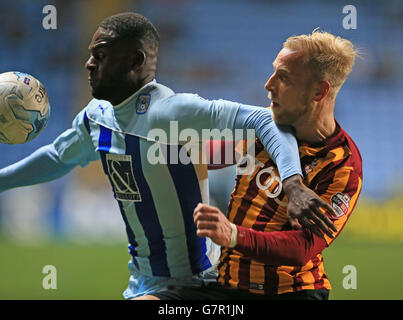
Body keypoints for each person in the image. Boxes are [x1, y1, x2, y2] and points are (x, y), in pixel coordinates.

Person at [0, 13, 336, 299]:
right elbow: (59, 158)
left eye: (100, 55)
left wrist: (293, 183)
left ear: (135, 62)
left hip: (195, 284)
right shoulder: (96, 117)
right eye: (91, 54)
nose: (89, 64)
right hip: (143, 282)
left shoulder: (171, 113)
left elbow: (265, 120)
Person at [147, 30, 363, 300]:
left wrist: (234, 235)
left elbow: (303, 248)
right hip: (225, 285)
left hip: (290, 292)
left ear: (319, 91)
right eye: (273, 72)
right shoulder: (264, 127)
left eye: (283, 77)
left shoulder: (342, 165)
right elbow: (209, 155)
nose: (268, 84)